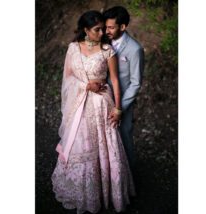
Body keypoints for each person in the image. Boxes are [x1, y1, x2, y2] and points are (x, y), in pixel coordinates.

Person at [51, 10, 135, 214]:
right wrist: (86, 86)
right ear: (86, 30)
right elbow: (68, 78)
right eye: (97, 29)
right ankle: (81, 191)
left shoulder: (108, 50)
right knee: (80, 145)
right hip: (79, 103)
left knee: (105, 147)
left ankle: (106, 191)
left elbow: (114, 80)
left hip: (100, 105)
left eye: (103, 28)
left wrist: (117, 107)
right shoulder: (73, 48)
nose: (102, 32)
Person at [103, 6, 145, 169]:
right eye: (106, 27)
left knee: (124, 138)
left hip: (122, 104)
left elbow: (136, 83)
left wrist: (120, 107)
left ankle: (131, 182)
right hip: (101, 99)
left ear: (123, 26)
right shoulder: (104, 40)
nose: (107, 31)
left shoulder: (135, 49)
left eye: (111, 27)